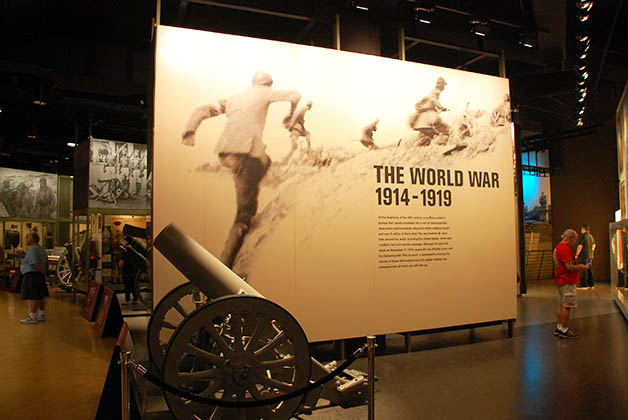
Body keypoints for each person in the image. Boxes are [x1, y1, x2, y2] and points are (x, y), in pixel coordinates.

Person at [182, 70, 301, 268]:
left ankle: (250, 193)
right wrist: (292, 112)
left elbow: (202, 109)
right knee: (244, 216)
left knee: (265, 160)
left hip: (225, 152)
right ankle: (225, 263)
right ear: (267, 84)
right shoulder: (264, 92)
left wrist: (189, 131)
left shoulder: (234, 99)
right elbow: (295, 94)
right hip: (244, 154)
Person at [552, 229, 589, 338]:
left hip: (560, 279)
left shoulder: (558, 247)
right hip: (567, 280)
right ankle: (564, 329)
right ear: (571, 238)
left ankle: (559, 327)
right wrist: (581, 267)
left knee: (561, 304)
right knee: (567, 306)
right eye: (574, 240)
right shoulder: (565, 249)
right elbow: (569, 267)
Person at [408, 77, 450, 145]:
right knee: (446, 130)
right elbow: (434, 100)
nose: (444, 87)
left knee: (428, 137)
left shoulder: (431, 92)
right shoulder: (436, 91)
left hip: (421, 121)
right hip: (429, 118)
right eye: (444, 85)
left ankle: (417, 147)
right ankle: (442, 146)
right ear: (441, 85)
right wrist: (442, 108)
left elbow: (422, 103)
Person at [20, 233, 49, 324]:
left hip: (32, 275)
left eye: (28, 237)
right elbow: (47, 261)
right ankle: (41, 314)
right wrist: (44, 272)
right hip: (39, 275)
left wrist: (42, 271)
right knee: (40, 295)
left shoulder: (32, 249)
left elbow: (36, 263)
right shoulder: (41, 248)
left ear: (32, 239)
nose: (26, 239)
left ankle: (32, 316)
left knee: (33, 295)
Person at [576, 224, 596, 289]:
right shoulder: (591, 236)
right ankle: (591, 284)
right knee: (589, 268)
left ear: (584, 229)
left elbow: (580, 246)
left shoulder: (583, 236)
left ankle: (584, 284)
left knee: (583, 269)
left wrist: (577, 254)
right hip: (590, 256)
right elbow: (594, 245)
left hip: (584, 256)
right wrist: (591, 252)